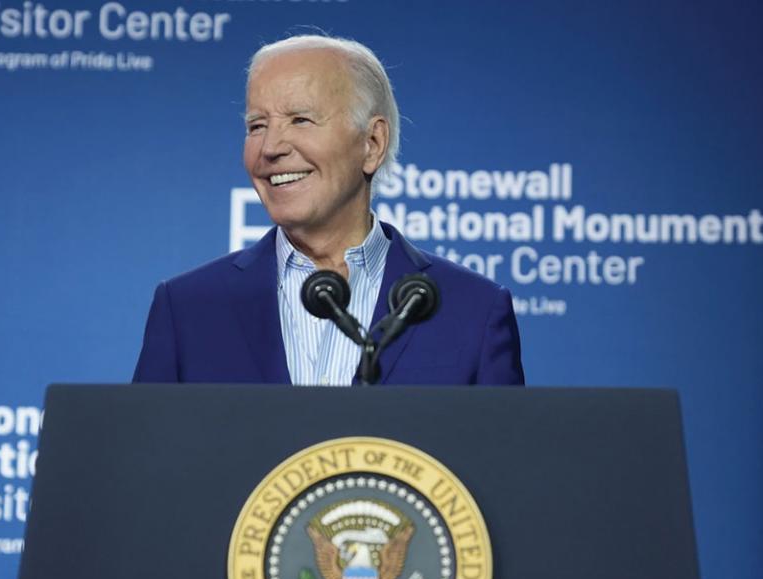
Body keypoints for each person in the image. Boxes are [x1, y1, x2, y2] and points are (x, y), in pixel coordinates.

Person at [132, 35, 524, 386]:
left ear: (371, 143)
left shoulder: (473, 310)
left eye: (300, 120)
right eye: (256, 126)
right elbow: (146, 459)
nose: (269, 148)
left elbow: (502, 462)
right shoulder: (187, 309)